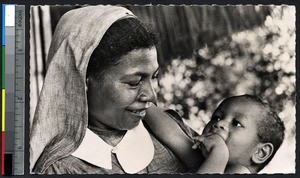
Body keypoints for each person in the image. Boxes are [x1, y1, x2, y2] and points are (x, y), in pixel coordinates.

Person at [30, 5, 201, 174]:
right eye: (134, 82)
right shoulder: (60, 169)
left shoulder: (172, 132)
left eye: (154, 76)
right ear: (82, 82)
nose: (151, 95)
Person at [145, 95, 285, 173]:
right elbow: (173, 135)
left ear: (261, 152)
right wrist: (144, 104)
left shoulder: (240, 171)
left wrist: (219, 153)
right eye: (216, 117)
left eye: (236, 123)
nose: (219, 123)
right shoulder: (207, 161)